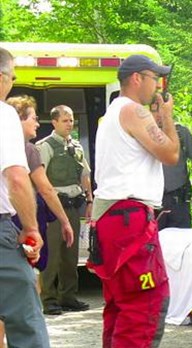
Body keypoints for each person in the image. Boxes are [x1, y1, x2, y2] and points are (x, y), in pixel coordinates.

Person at [90, 54, 178, 348]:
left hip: (110, 216)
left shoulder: (113, 113)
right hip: (130, 216)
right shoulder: (134, 111)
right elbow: (171, 154)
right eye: (156, 78)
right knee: (146, 301)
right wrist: (167, 117)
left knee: (120, 303)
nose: (158, 86)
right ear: (137, 78)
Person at [0, 45, 50, 348]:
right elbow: (18, 179)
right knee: (26, 321)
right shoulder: (3, 114)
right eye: (12, 77)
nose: (12, 84)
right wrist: (31, 229)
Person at [7, 95, 74, 280]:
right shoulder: (27, 150)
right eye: (33, 118)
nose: (37, 124)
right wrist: (65, 221)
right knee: (30, 274)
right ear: (18, 119)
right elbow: (46, 189)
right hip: (18, 223)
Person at [35, 104, 92, 315]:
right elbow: (38, 177)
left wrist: (89, 200)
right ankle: (49, 299)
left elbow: (85, 174)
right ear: (54, 122)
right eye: (65, 120)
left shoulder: (76, 146)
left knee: (71, 253)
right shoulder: (45, 146)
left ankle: (68, 296)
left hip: (73, 205)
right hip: (52, 207)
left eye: (71, 120)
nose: (70, 124)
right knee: (52, 254)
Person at [158, 123, 192, 230]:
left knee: (181, 240)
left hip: (179, 201)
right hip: (153, 201)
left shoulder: (181, 133)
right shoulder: (143, 133)